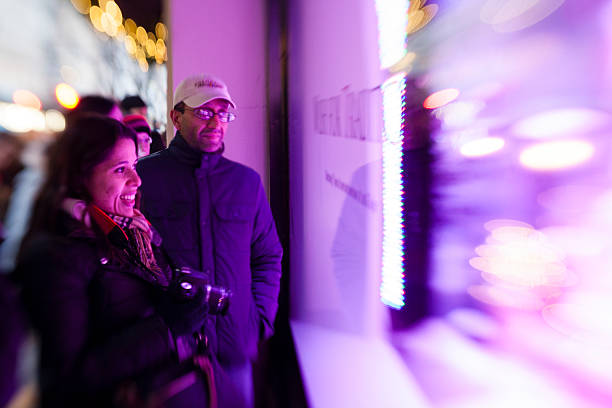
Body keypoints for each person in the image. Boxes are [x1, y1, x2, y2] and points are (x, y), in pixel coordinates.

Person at [14, 115, 243, 407]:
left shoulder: (132, 230)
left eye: (134, 165)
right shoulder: (55, 256)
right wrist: (167, 328)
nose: (137, 180)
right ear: (80, 176)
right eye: (121, 169)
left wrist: (176, 300)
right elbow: (67, 379)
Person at [137, 74, 283, 407]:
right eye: (204, 112)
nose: (216, 121)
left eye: (224, 113)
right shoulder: (144, 177)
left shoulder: (246, 182)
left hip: (233, 348)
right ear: (176, 117)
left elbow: (267, 255)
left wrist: (260, 317)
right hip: (166, 351)